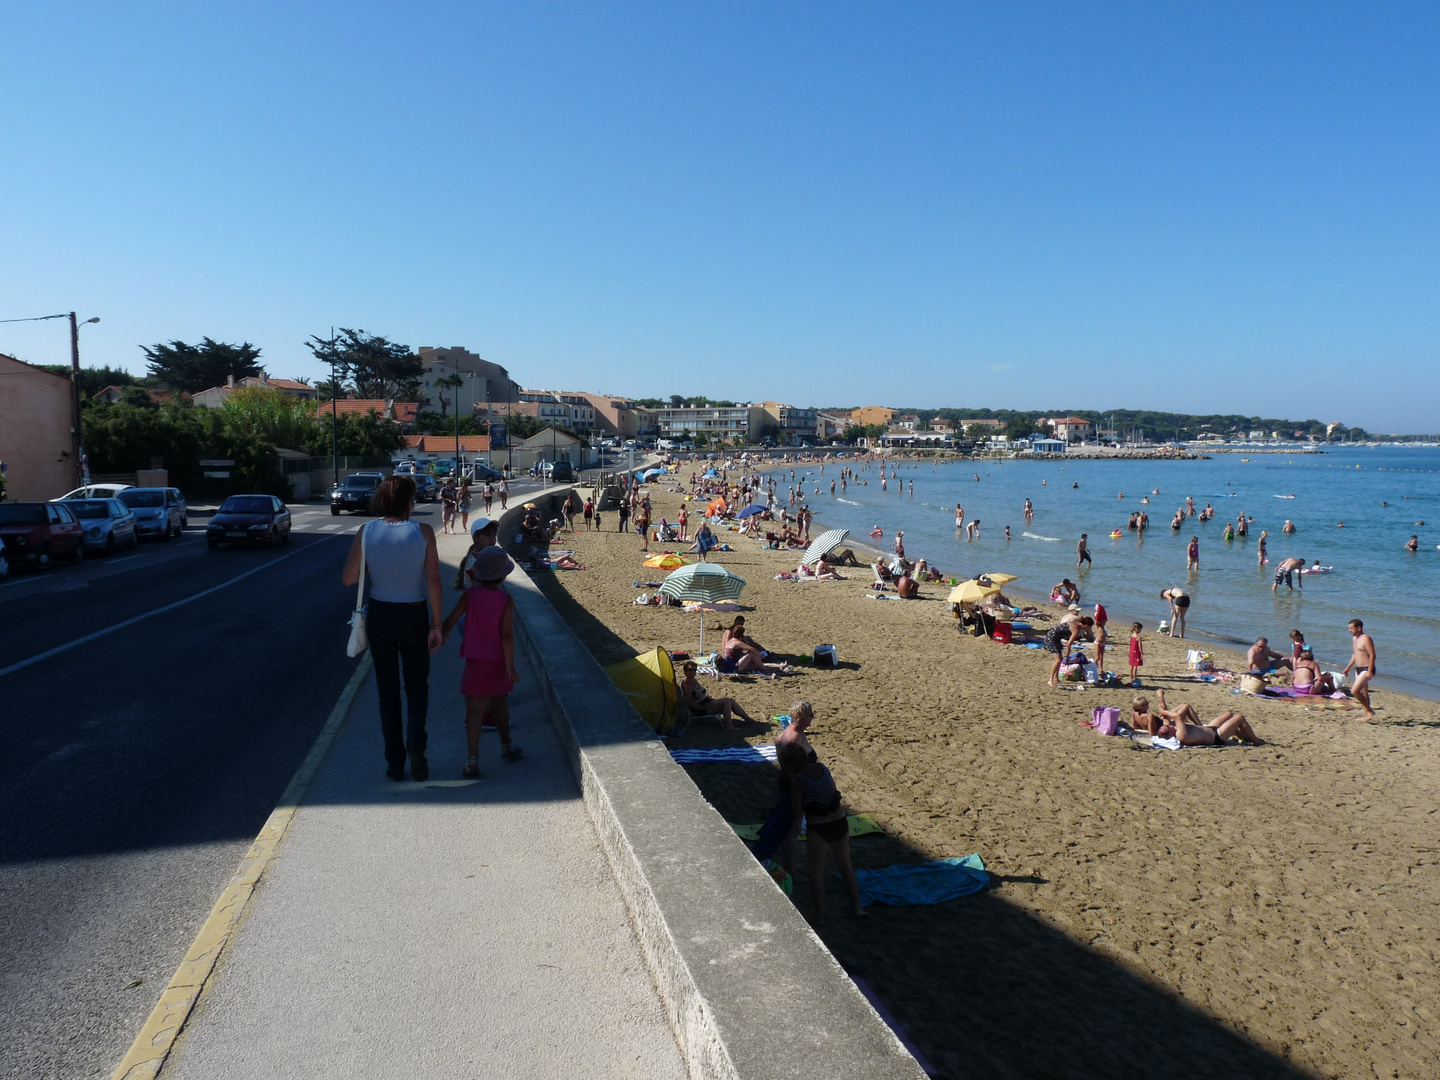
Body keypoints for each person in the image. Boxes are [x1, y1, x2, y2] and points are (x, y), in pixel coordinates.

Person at [341, 476, 443, 782]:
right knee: (417, 687)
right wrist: (437, 625)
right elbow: (434, 581)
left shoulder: (367, 531)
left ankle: (395, 763)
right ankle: (416, 743)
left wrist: (376, 562)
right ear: (409, 502)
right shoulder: (423, 532)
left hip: (381, 615)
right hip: (414, 615)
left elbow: (349, 578)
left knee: (387, 693)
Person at [440, 545, 523, 777]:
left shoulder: (470, 595)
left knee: (474, 712)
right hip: (497, 661)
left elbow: (452, 618)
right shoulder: (507, 600)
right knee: (500, 704)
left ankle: (472, 759)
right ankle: (506, 745)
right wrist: (510, 666)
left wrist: (441, 634)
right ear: (504, 575)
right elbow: (507, 635)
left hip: (475, 661)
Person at [777, 741, 865, 925]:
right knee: (845, 865)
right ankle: (858, 907)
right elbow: (831, 791)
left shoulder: (797, 780)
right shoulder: (823, 768)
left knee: (816, 872)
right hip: (839, 821)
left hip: (819, 826)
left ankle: (819, 916)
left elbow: (797, 810)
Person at [1133, 691, 1262, 746]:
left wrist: (1161, 697)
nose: (1170, 725)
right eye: (1169, 727)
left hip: (1206, 729)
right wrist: (1162, 711)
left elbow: (1166, 716)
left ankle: (1242, 737)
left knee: (1229, 714)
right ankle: (1255, 740)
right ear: (1171, 734)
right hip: (1216, 736)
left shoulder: (1172, 729)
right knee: (1239, 718)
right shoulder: (1181, 735)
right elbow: (1176, 716)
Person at [678, 660, 754, 730]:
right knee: (726, 701)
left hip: (706, 703)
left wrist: (711, 700)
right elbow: (690, 703)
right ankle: (729, 726)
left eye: (694, 669)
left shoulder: (694, 680)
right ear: (685, 672)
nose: (693, 672)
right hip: (701, 709)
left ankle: (747, 718)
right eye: (690, 670)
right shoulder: (687, 685)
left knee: (730, 700)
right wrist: (703, 707)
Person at [721, 616, 788, 677]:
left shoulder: (732, 640)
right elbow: (752, 649)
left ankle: (778, 668)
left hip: (731, 664)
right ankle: (767, 671)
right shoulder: (736, 642)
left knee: (757, 666)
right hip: (732, 667)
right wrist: (761, 655)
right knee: (751, 654)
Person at [1045, 610, 1091, 688]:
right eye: (1090, 627)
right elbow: (1069, 645)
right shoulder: (1076, 630)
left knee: (1060, 658)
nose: (1089, 629)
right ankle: (1050, 680)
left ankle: (1056, 678)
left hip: (1055, 636)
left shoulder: (1075, 623)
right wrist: (1067, 658)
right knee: (1058, 660)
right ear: (1086, 625)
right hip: (1052, 638)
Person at [1344, 619, 1378, 722]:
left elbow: (1372, 655)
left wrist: (1369, 671)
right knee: (1364, 693)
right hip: (1358, 668)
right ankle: (1366, 715)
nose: (1349, 630)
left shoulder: (1366, 638)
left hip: (1367, 668)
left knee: (1354, 691)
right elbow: (1355, 654)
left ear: (1359, 628)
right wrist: (1348, 667)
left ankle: (1370, 711)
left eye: (1351, 628)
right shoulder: (1355, 639)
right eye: (1349, 628)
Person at [1092, 601, 1108, 672]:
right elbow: (1096, 620)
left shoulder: (1103, 627)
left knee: (1102, 657)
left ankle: (1101, 669)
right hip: (1097, 643)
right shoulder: (1098, 626)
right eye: (1103, 621)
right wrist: (1099, 610)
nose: (1105, 623)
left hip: (1103, 643)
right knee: (1097, 657)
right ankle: (1093, 665)